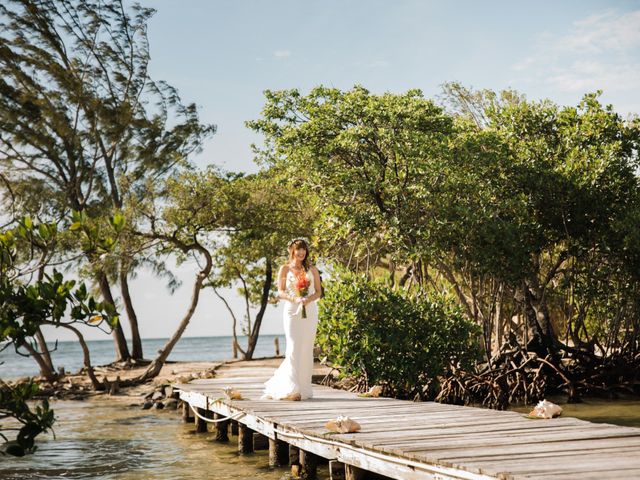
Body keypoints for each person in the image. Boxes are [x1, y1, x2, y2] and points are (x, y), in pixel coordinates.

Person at [262, 238, 322, 401]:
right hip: (291, 310)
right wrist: (295, 299)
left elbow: (318, 292)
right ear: (292, 251)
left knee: (306, 348)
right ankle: (291, 388)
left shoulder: (312, 270)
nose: (301, 252)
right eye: (298, 249)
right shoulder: (285, 269)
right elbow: (280, 292)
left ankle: (303, 388)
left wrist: (307, 300)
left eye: (304, 249)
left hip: (310, 310)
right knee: (294, 347)